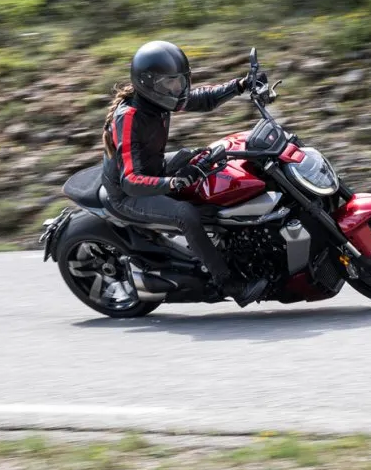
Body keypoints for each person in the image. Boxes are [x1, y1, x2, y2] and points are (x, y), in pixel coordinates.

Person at [100, 39, 266, 306]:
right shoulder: (130, 116)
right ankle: (229, 282)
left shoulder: (161, 99)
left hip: (153, 168)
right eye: (171, 83)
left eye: (180, 81)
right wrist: (174, 182)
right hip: (128, 193)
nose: (178, 89)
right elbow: (131, 180)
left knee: (206, 158)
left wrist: (241, 86)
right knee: (185, 214)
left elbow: (204, 99)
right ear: (148, 82)